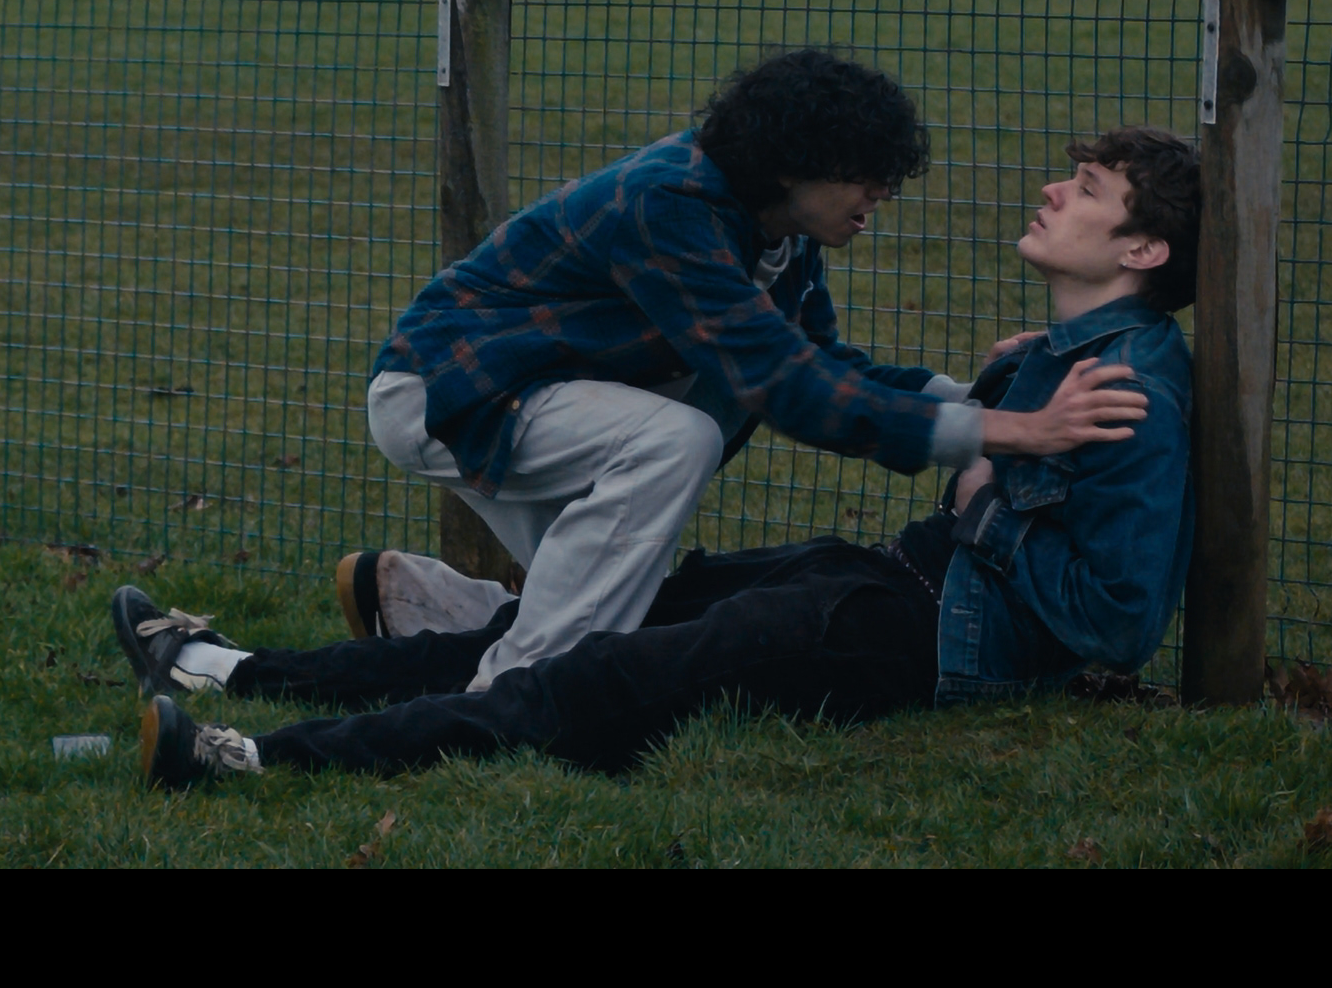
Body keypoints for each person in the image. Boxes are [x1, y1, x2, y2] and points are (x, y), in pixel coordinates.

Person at [123, 126, 1202, 789]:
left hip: (923, 631)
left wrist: (982, 494)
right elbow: (811, 376)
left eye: (1087, 189)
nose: (1053, 191)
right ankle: (223, 669)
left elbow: (1115, 622)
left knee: (601, 674)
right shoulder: (1064, 358)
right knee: (599, 618)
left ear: (1142, 249)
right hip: (890, 578)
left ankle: (252, 755)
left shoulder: (1129, 394)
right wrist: (985, 403)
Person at [360, 48, 1147, 692]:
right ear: (794, 164)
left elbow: (822, 364)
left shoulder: (779, 232)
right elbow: (787, 389)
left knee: (615, 596)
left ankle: (446, 613)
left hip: (542, 394)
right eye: (864, 171)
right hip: (452, 393)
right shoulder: (669, 204)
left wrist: (981, 396)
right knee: (674, 441)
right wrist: (1007, 430)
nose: (883, 190)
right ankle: (515, 694)